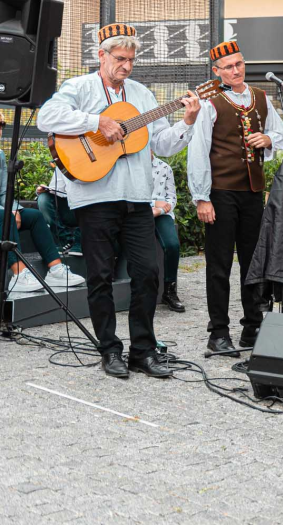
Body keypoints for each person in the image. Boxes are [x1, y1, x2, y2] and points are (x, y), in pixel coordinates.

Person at [38, 23, 200, 379]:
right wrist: (97, 121)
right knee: (100, 276)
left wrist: (187, 123)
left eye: (131, 59)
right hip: (95, 198)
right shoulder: (78, 88)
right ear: (101, 55)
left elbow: (161, 145)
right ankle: (109, 350)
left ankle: (142, 350)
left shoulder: (143, 95)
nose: (126, 66)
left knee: (148, 273)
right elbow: (46, 117)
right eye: (120, 58)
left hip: (138, 197)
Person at [187, 40, 283, 356]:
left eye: (239, 64)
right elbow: (198, 151)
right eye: (228, 67)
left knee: (253, 263)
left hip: (252, 193)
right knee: (218, 265)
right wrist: (201, 198)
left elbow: (282, 134)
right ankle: (218, 332)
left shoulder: (261, 98)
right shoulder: (210, 103)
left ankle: (251, 326)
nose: (236, 70)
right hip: (219, 193)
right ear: (216, 72)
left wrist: (269, 137)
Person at [0, 114, 85, 294]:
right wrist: (5, 211)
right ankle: (19, 273)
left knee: (35, 216)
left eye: (1, 126)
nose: (0, 130)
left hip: (2, 210)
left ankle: (55, 270)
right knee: (3, 215)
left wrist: (14, 209)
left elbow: (3, 191)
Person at [151, 153, 183, 313]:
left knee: (172, 244)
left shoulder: (164, 168)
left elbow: (172, 198)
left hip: (162, 214)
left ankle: (170, 291)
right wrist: (154, 203)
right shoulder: (128, 167)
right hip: (137, 212)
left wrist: (161, 209)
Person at [36, 167, 81, 254]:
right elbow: (57, 190)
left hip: (89, 207)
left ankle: (80, 240)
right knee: (43, 199)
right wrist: (45, 190)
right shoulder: (63, 160)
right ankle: (64, 239)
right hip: (70, 208)